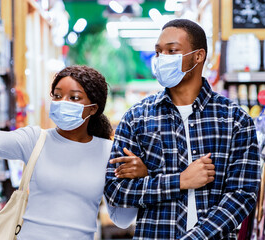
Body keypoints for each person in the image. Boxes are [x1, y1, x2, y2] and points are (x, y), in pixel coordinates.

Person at [0, 65, 145, 240]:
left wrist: (136, 180)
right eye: (57, 95)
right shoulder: (36, 139)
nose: (62, 102)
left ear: (92, 108)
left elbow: (121, 219)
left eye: (74, 98)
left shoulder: (108, 152)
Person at [104, 19, 261, 240]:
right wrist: (180, 180)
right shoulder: (136, 118)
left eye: (172, 51)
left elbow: (242, 195)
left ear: (198, 56)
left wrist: (195, 237)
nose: (161, 59)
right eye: (159, 52)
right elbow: (116, 191)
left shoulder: (235, 120)